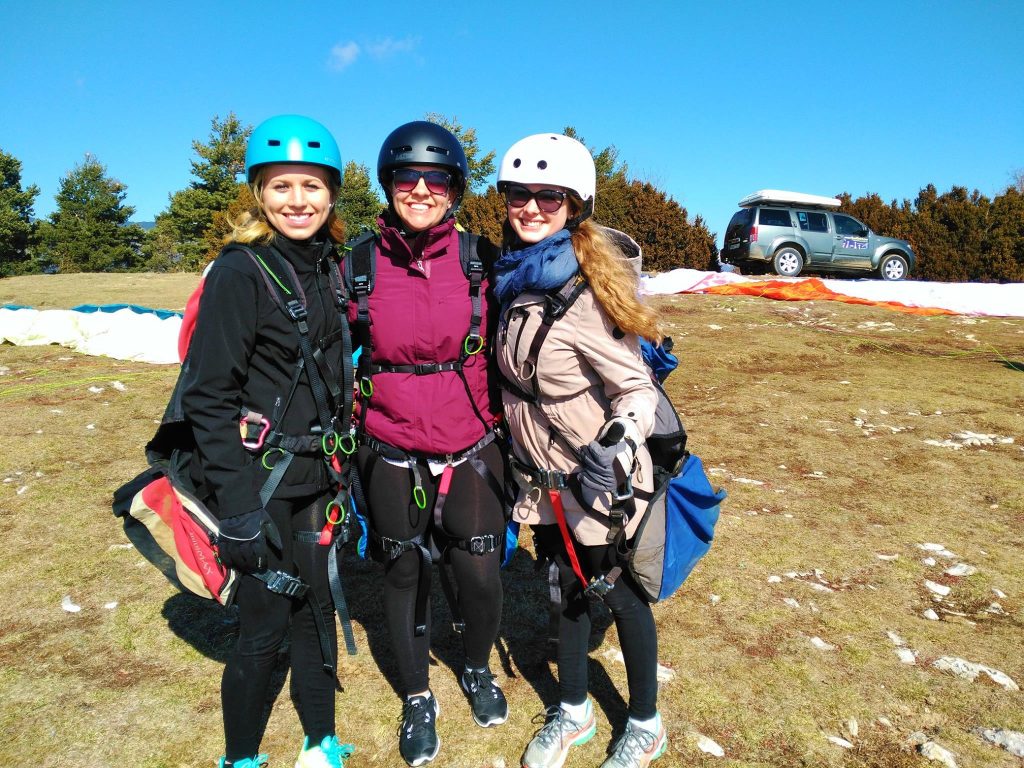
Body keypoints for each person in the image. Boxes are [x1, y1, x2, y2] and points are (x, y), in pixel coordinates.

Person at [181, 114, 355, 768]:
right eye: (281, 186)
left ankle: (319, 743)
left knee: (315, 613)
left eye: (311, 186)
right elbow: (206, 394)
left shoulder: (337, 268)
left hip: (320, 477)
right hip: (260, 481)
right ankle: (241, 759)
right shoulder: (239, 273)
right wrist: (239, 508)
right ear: (259, 193)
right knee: (262, 631)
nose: (298, 201)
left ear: (332, 193)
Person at [492, 133, 668, 768]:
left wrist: (618, 441)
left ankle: (645, 724)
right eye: (520, 194)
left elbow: (633, 385)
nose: (532, 207)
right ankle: (574, 711)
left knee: (617, 595)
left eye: (550, 196)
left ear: (574, 205)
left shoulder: (585, 294)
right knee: (563, 588)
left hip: (599, 481)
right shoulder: (511, 281)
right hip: (542, 483)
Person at [348, 120, 508, 766]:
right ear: (388, 184)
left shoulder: (482, 261)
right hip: (388, 443)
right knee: (402, 567)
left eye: (435, 178)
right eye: (407, 178)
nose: (420, 189)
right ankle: (417, 694)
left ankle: (475, 666)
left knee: (478, 568)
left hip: (469, 439)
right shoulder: (358, 265)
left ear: (454, 189)